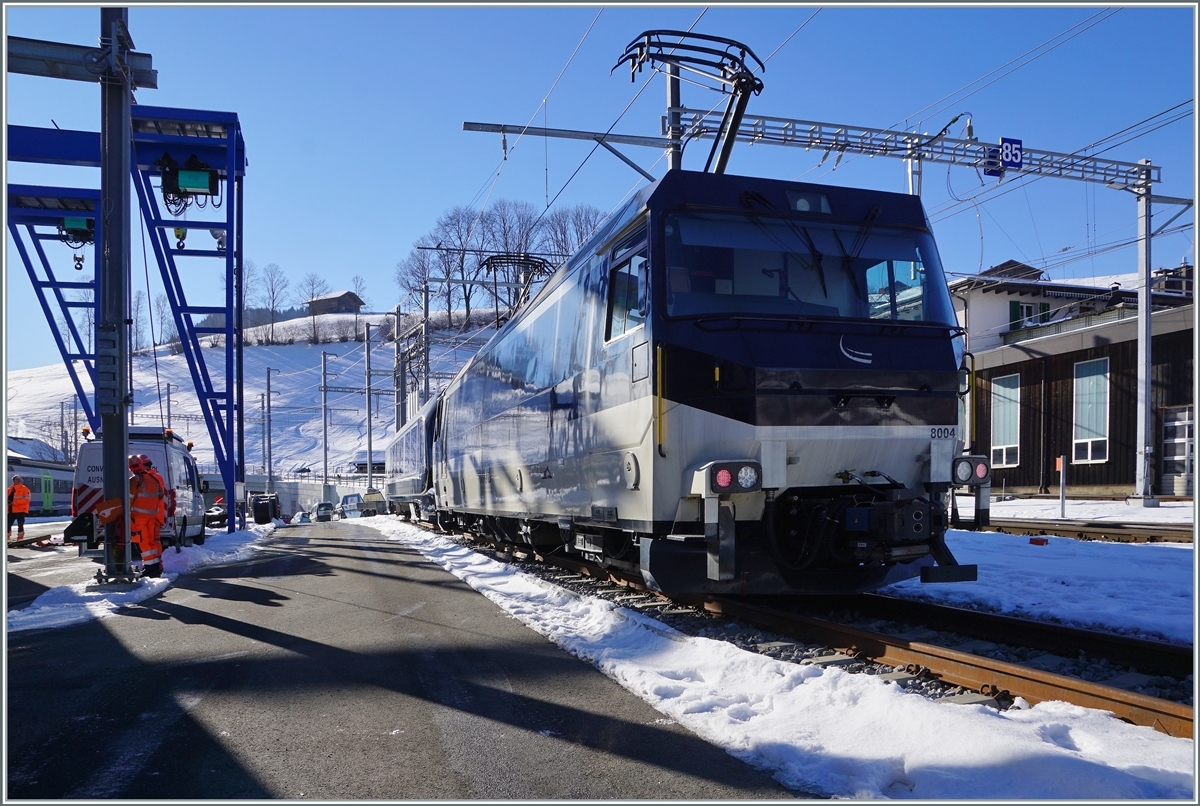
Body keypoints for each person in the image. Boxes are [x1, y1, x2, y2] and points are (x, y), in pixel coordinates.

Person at [128, 454, 166, 577]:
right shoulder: (153, 478)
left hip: (139, 518)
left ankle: (150, 569)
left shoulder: (134, 481)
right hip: (153, 517)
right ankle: (155, 567)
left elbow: (129, 500)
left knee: (144, 543)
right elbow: (160, 495)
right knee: (151, 542)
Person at [7, 475, 31, 539]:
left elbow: (26, 500)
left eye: (18, 479)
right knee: (8, 524)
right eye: (16, 479)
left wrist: (14, 503)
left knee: (20, 525)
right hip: (10, 510)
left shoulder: (24, 489)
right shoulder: (9, 489)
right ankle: (7, 538)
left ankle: (20, 538)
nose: (17, 480)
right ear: (13, 481)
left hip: (21, 510)